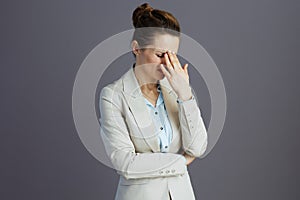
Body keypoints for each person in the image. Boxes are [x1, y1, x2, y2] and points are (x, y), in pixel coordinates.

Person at [99, 3, 208, 200]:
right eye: (159, 55)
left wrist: (185, 96)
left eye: (172, 55)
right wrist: (180, 162)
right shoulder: (113, 96)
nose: (167, 63)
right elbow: (126, 164)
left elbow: (198, 147)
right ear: (136, 48)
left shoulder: (177, 88)